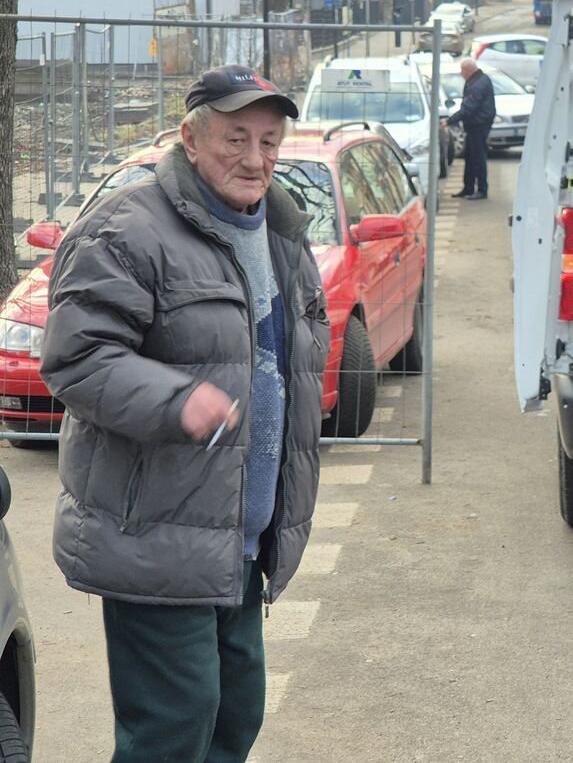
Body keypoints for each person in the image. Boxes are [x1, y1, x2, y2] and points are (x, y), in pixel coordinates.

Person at [41, 65, 330, 762]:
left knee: (235, 715)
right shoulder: (128, 229)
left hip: (243, 536)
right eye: (235, 138)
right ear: (189, 138)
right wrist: (177, 400)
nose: (255, 158)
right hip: (156, 534)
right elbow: (76, 358)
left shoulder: (283, 232)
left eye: (269, 139)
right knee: (174, 726)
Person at [443, 56, 496, 200]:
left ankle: (481, 189)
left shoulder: (478, 84)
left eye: (462, 70)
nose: (461, 74)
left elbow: (468, 108)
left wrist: (449, 121)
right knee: (470, 157)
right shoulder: (479, 80)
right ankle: (468, 187)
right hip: (475, 124)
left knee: (478, 157)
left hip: (478, 125)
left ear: (468, 70)